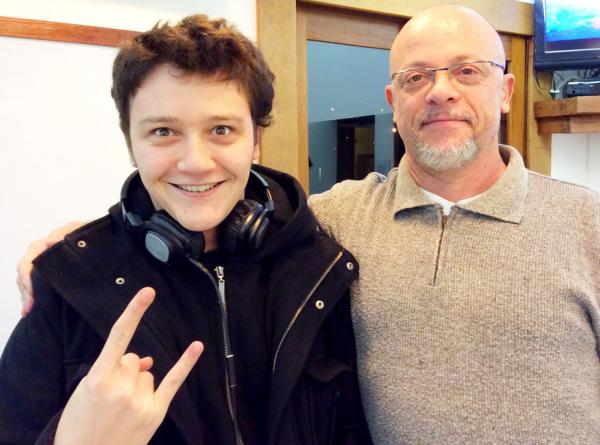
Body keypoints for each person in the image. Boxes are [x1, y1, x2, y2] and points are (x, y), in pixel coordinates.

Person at [14, 3, 600, 443]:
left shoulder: (586, 223)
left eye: (467, 71)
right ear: (393, 101)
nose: (440, 92)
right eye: (416, 77)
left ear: (506, 90)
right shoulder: (332, 225)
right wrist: (75, 251)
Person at [0, 14, 371, 445]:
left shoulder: (321, 267)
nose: (196, 162)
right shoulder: (69, 283)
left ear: (255, 140)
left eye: (221, 130)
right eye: (163, 131)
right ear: (130, 143)